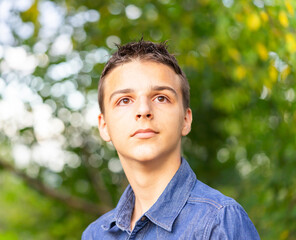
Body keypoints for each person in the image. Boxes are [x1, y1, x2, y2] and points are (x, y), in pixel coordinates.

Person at [82, 40, 260, 239]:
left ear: (185, 119)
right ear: (104, 126)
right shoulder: (95, 234)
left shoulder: (219, 221)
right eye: (124, 100)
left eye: (161, 98)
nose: (143, 110)